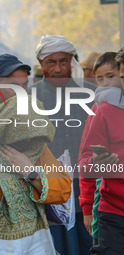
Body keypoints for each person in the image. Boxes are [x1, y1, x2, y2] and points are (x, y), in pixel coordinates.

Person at [0, 54, 72, 255]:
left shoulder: (30, 137)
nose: (21, 94)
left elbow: (63, 190)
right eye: (14, 86)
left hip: (34, 243)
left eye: (24, 86)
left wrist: (31, 172)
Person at [32, 35, 96, 255]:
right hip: (48, 194)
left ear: (72, 61)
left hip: (88, 193)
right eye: (51, 62)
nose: (58, 68)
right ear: (41, 64)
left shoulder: (91, 94)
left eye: (63, 61)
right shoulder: (30, 99)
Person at [78, 47, 124, 255]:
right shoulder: (102, 109)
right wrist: (88, 209)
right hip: (112, 212)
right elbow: (85, 162)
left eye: (111, 77)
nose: (107, 84)